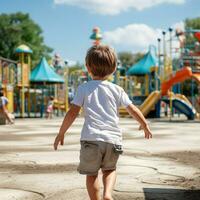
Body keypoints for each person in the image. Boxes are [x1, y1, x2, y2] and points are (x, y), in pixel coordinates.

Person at [54, 45, 152, 200]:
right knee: (110, 170)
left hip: (91, 139)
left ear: (87, 67)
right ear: (113, 69)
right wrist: (144, 124)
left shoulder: (84, 88)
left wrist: (61, 133)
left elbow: (72, 112)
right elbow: (133, 109)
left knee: (91, 174)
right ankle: (107, 194)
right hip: (113, 140)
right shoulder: (117, 89)